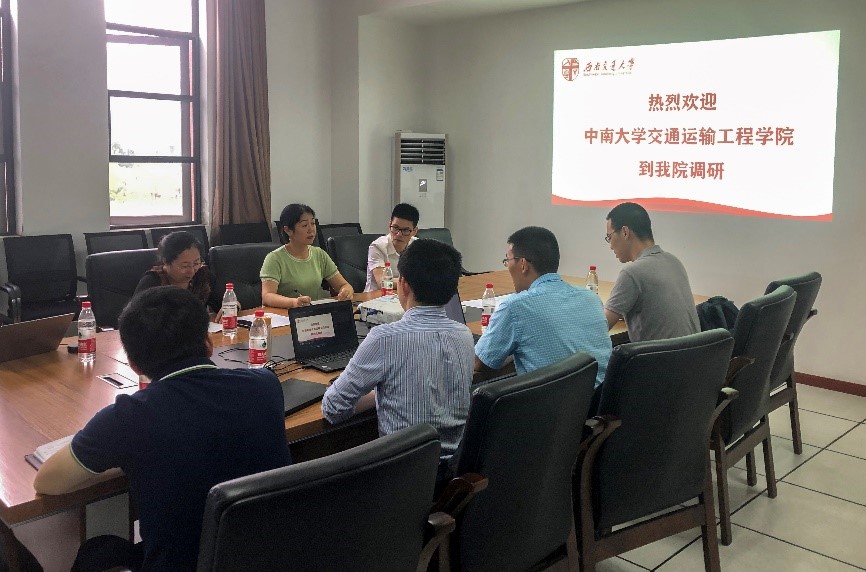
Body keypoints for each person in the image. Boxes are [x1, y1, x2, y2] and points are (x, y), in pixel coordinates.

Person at [33, 287, 291, 571]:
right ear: (208, 344)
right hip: (270, 558)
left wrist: (127, 457)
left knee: (98, 553)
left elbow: (47, 482)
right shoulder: (265, 386)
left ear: (133, 365)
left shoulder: (128, 418)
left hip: (182, 564)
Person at [322, 238, 474, 459]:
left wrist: (378, 391)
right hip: (455, 470)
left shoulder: (384, 338)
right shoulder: (464, 335)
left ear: (403, 285)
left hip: (402, 472)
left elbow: (332, 408)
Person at [474, 226, 612, 387]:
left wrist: (510, 347)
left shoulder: (516, 307)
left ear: (523, 264)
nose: (507, 266)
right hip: (600, 399)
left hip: (553, 402)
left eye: (508, 260)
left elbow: (481, 363)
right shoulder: (591, 299)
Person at [603, 202, 700, 342]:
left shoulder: (632, 273)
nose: (611, 246)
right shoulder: (674, 261)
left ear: (625, 232)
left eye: (609, 237)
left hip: (660, 356)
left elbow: (600, 328)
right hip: (693, 354)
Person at [261, 203, 353, 308]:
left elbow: (343, 285)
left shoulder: (319, 254)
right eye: (304, 225)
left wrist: (346, 291)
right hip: (286, 313)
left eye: (313, 223)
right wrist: (294, 302)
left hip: (314, 312)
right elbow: (267, 296)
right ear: (288, 230)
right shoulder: (274, 258)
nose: (311, 229)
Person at [134, 230, 222, 316]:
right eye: (185, 266)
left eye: (196, 263)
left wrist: (227, 308)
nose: (192, 271)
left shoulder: (203, 276)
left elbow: (223, 304)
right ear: (166, 262)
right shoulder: (152, 282)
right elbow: (134, 317)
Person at [365, 203, 419, 292]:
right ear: (389, 224)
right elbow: (383, 283)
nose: (399, 234)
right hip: (376, 297)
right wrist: (415, 282)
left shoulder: (417, 246)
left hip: (404, 295)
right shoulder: (377, 247)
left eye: (405, 230)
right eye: (395, 228)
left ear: (414, 231)